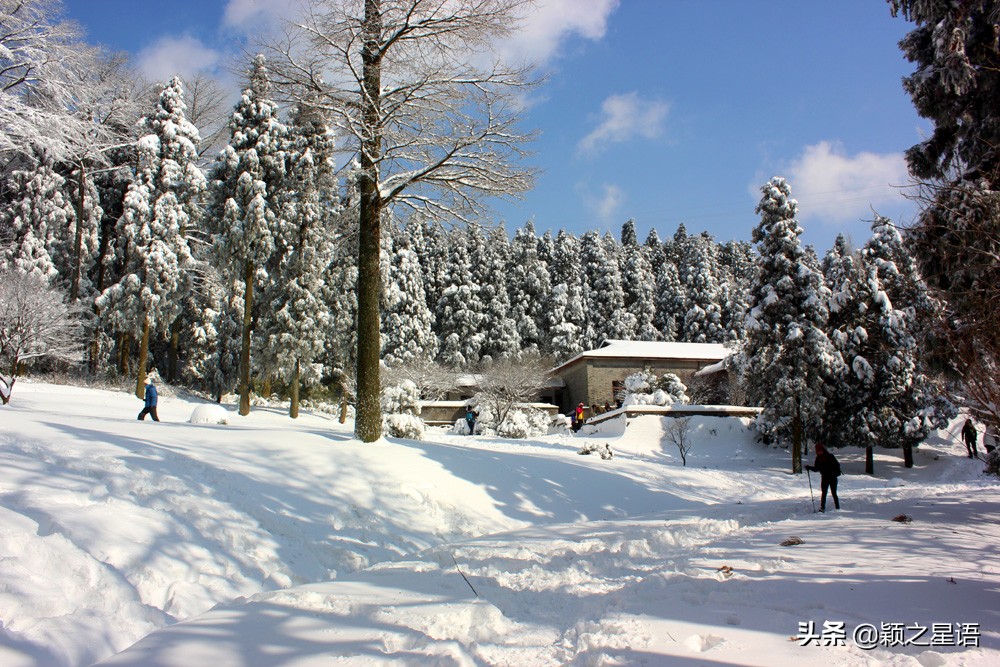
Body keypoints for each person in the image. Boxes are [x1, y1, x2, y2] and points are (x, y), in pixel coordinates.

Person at [805, 442, 841, 512]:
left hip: (832, 477)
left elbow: (837, 465)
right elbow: (816, 468)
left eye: (819, 451)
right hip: (825, 477)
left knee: (834, 493)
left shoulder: (830, 456)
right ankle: (822, 508)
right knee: (824, 493)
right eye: (817, 451)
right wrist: (809, 468)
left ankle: (837, 507)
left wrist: (833, 471)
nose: (818, 452)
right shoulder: (818, 458)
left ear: (823, 450)